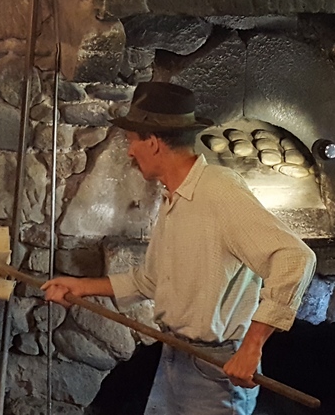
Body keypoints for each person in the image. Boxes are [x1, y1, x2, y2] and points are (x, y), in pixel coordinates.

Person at [42, 81, 316, 414]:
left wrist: (252, 346)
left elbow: (294, 257)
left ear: (154, 143)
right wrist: (81, 287)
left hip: (214, 369)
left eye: (132, 142)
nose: (130, 151)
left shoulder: (218, 191)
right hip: (177, 356)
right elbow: (150, 282)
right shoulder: (176, 197)